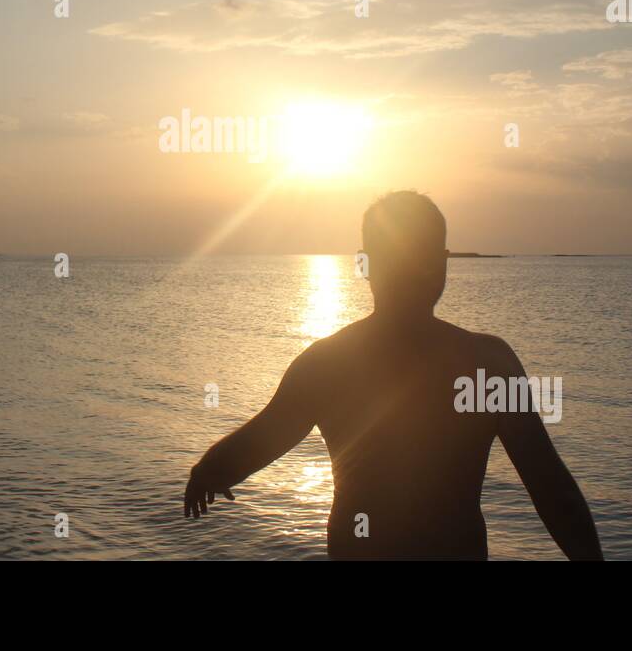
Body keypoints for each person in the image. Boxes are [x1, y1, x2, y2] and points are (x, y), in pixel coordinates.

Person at [183, 190, 603, 560]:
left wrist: (208, 469)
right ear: (441, 265)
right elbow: (550, 488)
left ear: (366, 266)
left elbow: (263, 440)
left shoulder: (327, 363)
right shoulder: (487, 362)